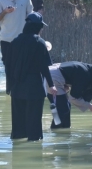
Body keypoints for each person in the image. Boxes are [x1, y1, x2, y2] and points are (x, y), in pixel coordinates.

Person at [7, 12, 57, 141]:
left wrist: (10, 86)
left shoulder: (15, 41)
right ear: (37, 27)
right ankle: (34, 144)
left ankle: (17, 150)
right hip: (34, 87)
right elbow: (44, 67)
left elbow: (8, 65)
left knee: (18, 125)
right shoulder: (39, 42)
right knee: (34, 123)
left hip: (17, 87)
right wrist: (51, 85)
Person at [0, 0, 33, 94]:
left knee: (22, 68)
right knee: (9, 69)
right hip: (6, 40)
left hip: (23, 40)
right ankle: (9, 93)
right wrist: (4, 12)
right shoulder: (1, 0)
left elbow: (32, 18)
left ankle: (20, 92)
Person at [44, 61, 92, 129]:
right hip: (52, 78)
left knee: (65, 108)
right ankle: (54, 131)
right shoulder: (85, 75)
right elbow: (73, 98)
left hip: (51, 74)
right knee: (63, 110)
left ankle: (64, 131)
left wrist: (65, 85)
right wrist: (90, 106)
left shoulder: (87, 70)